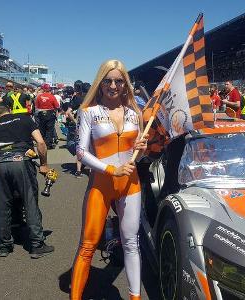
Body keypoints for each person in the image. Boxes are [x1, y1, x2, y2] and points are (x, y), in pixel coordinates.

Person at [70, 59, 147, 300]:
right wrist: (111, 170)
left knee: (131, 244)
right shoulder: (89, 112)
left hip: (131, 185)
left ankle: (135, 297)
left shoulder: (136, 114)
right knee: (88, 246)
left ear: (125, 84)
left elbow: (137, 155)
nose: (113, 85)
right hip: (101, 185)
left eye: (118, 81)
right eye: (108, 81)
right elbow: (81, 152)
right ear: (100, 83)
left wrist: (141, 148)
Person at [0, 102, 54, 258]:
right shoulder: (25, 119)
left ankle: (4, 246)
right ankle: (36, 245)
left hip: (0, 165)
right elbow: (41, 143)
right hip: (22, 161)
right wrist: (44, 165)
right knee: (29, 202)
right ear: (10, 110)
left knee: (1, 204)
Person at [35, 84, 60, 149]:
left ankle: (42, 143)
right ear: (49, 89)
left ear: (43, 89)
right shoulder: (52, 96)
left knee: (42, 129)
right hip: (50, 114)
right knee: (50, 129)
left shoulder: (39, 96)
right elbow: (57, 106)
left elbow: (37, 106)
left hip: (41, 114)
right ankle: (48, 144)